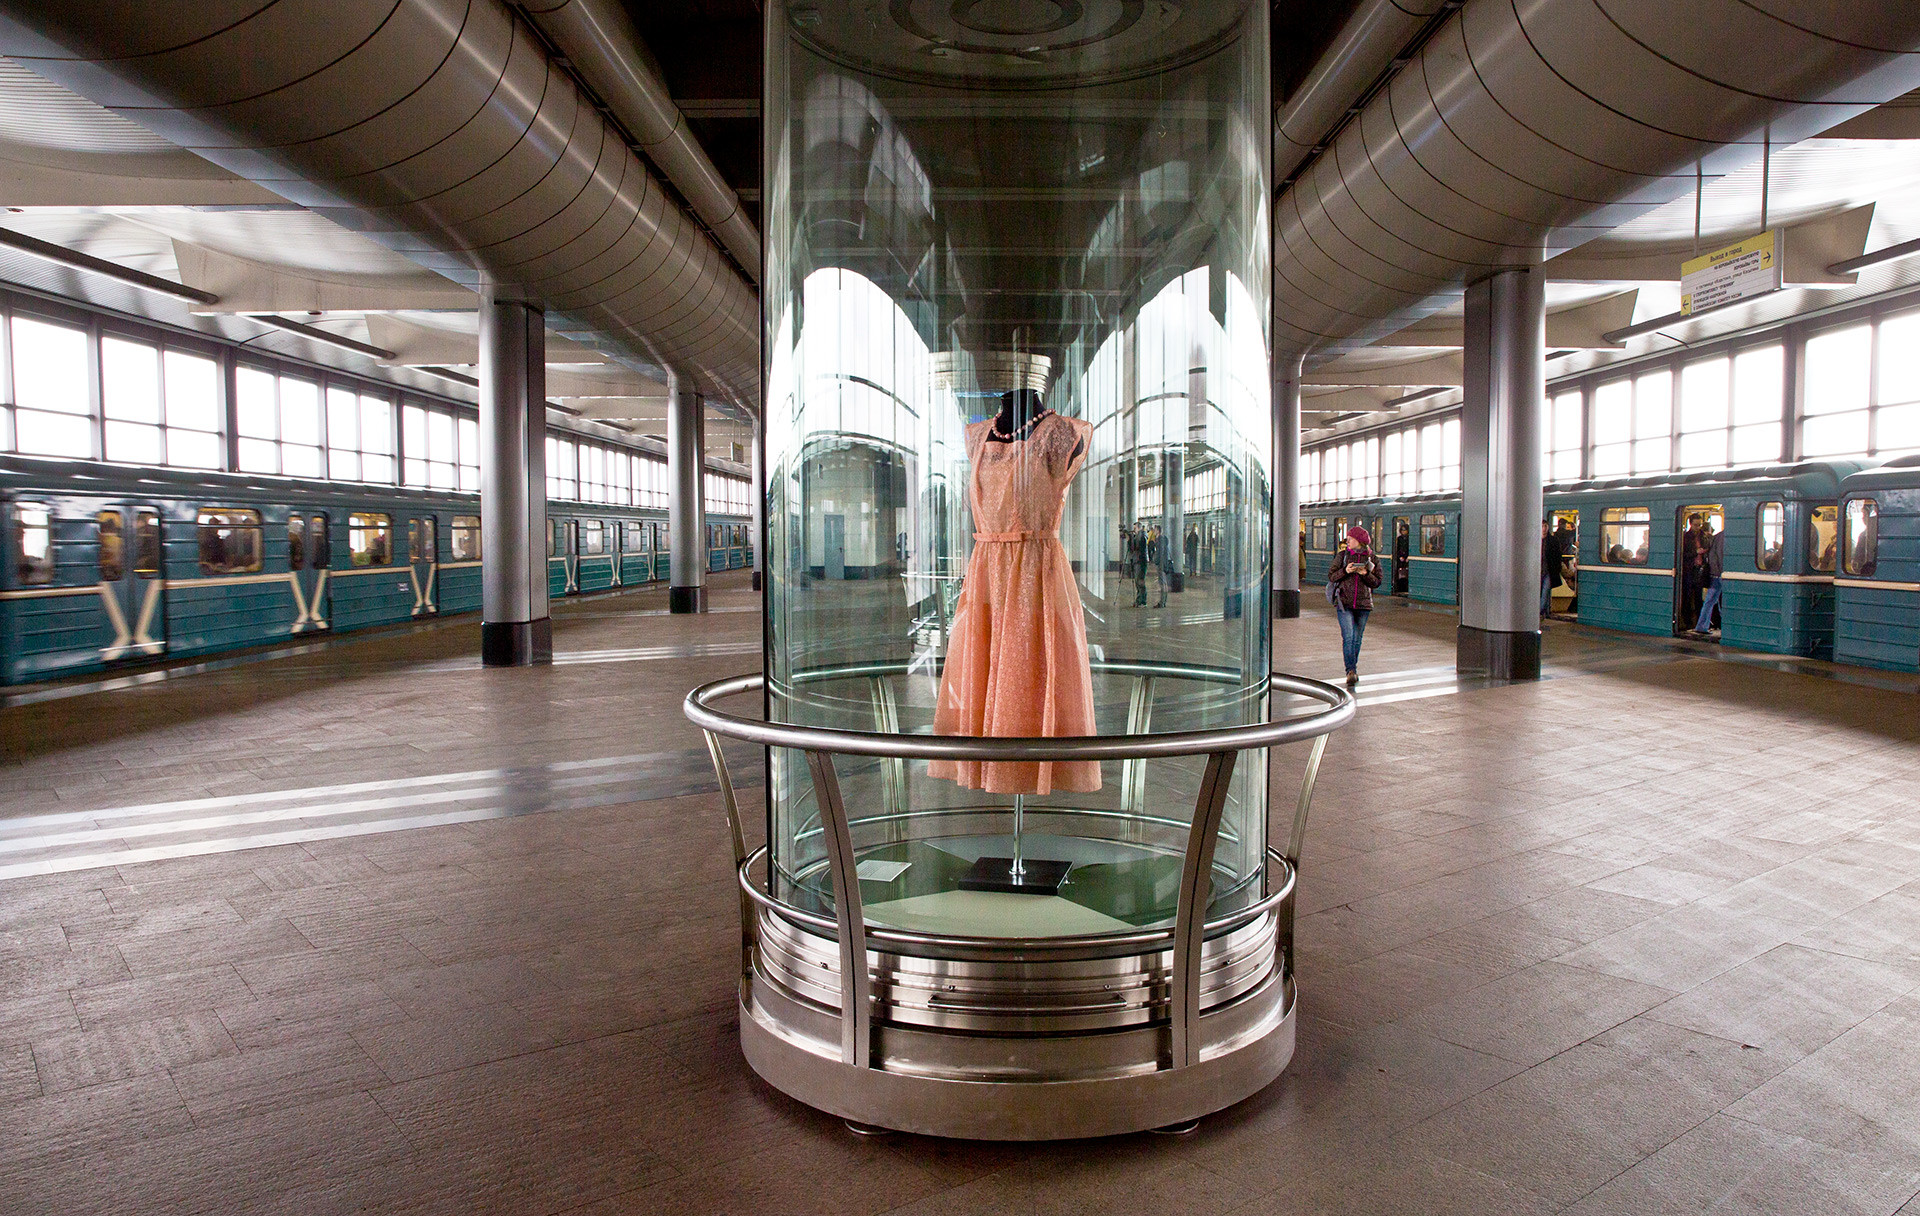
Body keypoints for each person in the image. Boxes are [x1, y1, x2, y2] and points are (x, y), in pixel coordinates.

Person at [1327, 524, 1382, 688]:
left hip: (1364, 604)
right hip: (1344, 603)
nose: (1347, 541)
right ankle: (1350, 671)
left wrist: (1366, 574)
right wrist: (1346, 571)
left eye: (1350, 538)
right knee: (1349, 636)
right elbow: (1332, 576)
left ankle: (1353, 669)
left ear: (1358, 541)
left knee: (1357, 639)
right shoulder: (1342, 556)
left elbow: (1377, 582)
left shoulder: (1373, 559)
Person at [1690, 524, 1725, 636]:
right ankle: (1704, 626)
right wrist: (1722, 572)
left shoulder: (1718, 536)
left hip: (1715, 574)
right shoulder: (1723, 537)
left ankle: (1702, 626)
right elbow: (1720, 556)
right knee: (1715, 600)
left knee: (1711, 600)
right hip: (1718, 574)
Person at [1680, 513, 1707, 629]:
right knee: (1687, 595)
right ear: (1691, 524)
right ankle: (1687, 622)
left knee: (1698, 597)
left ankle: (1699, 622)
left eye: (1699, 525)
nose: (1698, 527)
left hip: (1700, 569)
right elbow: (1682, 555)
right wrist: (1696, 552)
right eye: (1696, 525)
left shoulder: (1703, 536)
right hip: (1689, 569)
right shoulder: (1685, 537)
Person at [1540, 519, 1562, 616]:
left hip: (1549, 571)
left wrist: (1557, 569)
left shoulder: (1553, 541)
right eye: (1542, 526)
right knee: (1541, 593)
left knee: (1545, 593)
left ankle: (1538, 613)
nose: (1544, 529)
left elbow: (1557, 556)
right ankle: (1545, 612)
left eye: (1546, 526)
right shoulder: (1534, 540)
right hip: (1537, 572)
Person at [1146, 524, 1167, 607]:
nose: (1153, 531)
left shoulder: (1160, 539)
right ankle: (1163, 601)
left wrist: (1156, 561)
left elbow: (1160, 553)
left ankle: (1162, 602)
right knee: (1163, 583)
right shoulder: (1160, 539)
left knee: (1162, 583)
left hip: (1161, 564)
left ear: (1158, 530)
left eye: (1155, 530)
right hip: (1162, 563)